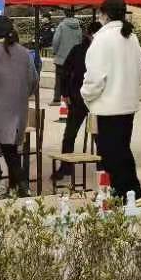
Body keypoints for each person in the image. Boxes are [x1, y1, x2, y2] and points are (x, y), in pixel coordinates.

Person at [81, 0, 141, 204]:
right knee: (121, 150)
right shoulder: (131, 37)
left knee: (112, 154)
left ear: (105, 14)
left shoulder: (102, 39)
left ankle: (131, 193)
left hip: (107, 107)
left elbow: (94, 78)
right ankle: (125, 193)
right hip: (128, 104)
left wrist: (86, 94)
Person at [0, 16, 38, 198]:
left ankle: (23, 187)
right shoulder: (25, 53)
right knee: (11, 149)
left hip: (0, 109)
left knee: (9, 151)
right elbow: (34, 80)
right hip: (20, 107)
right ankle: (14, 188)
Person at [51, 21, 102, 182]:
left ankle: (102, 166)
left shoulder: (103, 51)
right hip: (79, 98)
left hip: (95, 101)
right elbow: (65, 72)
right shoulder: (78, 50)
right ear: (89, 34)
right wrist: (65, 93)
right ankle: (66, 167)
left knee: (98, 136)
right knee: (71, 135)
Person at [51, 10, 82, 105]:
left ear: (65, 15)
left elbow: (56, 40)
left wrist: (55, 51)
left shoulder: (61, 26)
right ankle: (72, 99)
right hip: (74, 58)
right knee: (73, 78)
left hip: (61, 57)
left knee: (59, 79)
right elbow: (80, 41)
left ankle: (57, 99)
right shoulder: (78, 27)